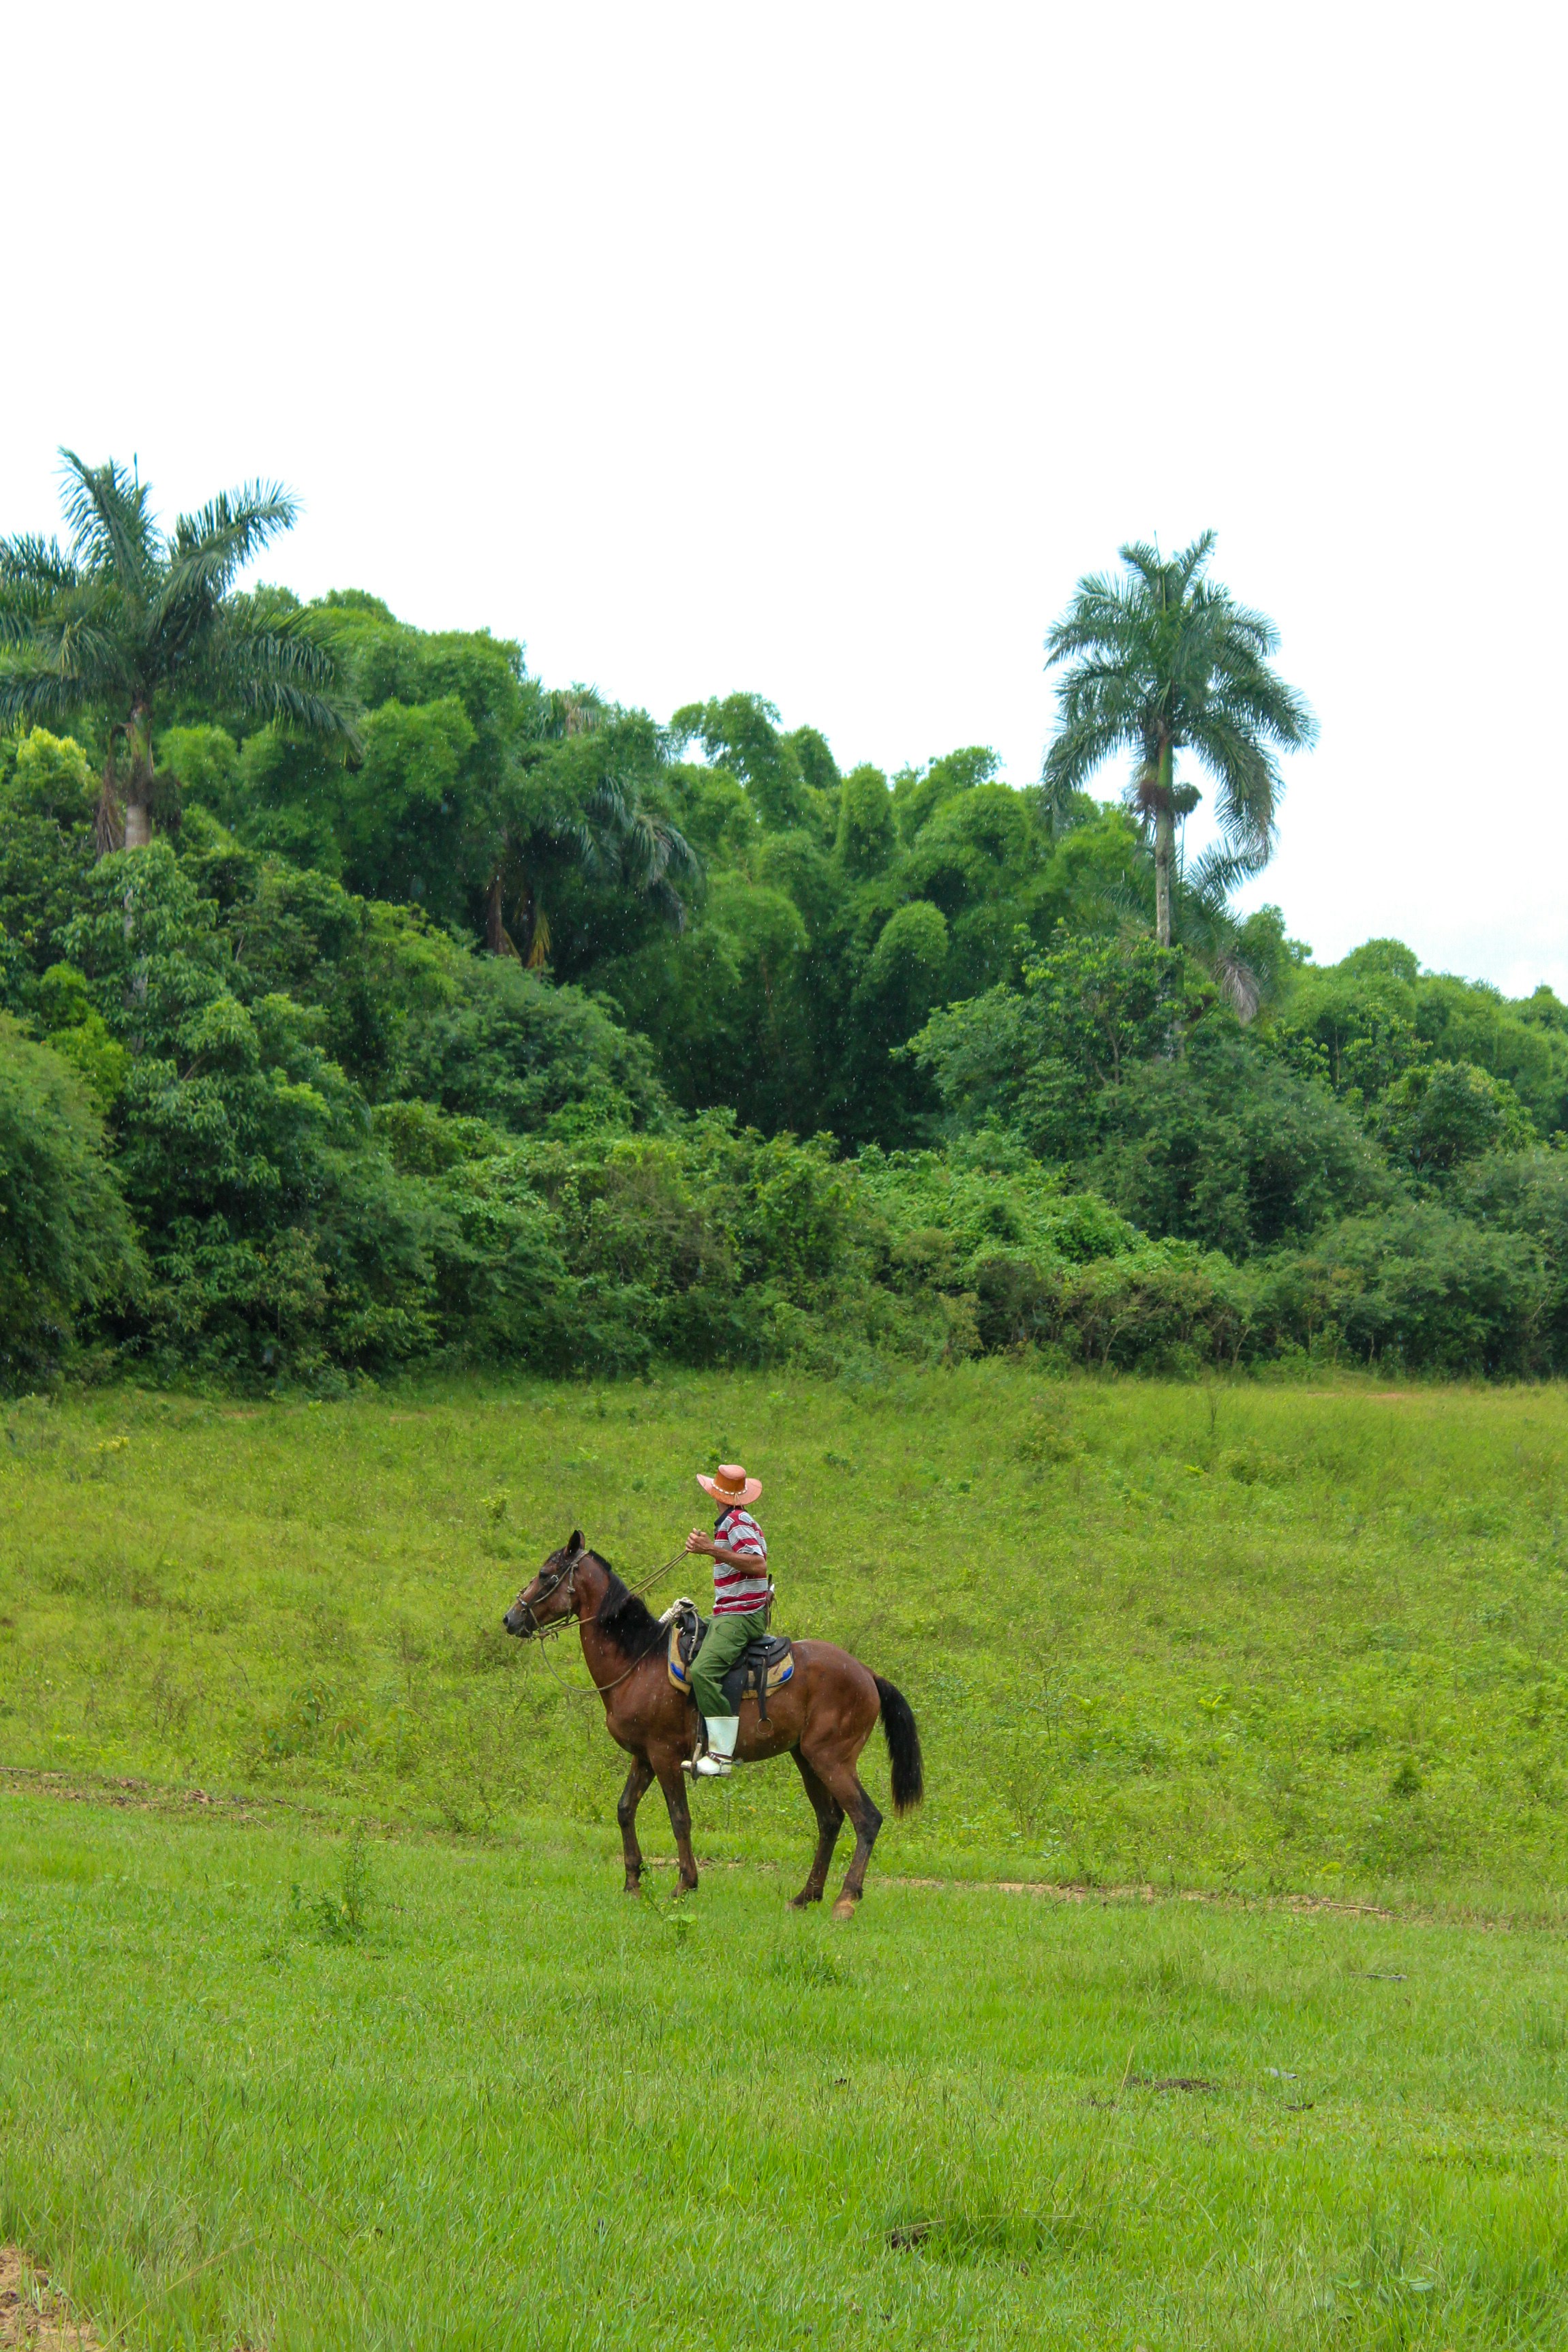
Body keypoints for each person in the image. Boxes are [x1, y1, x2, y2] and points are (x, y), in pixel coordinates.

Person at [683, 1462, 771, 1778]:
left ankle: (721, 1755)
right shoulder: (734, 1521)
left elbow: (758, 1564)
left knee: (703, 1671)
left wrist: (710, 1550)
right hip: (730, 1611)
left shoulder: (736, 1522)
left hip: (741, 1616)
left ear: (716, 1494)